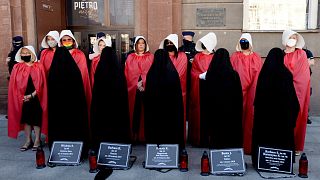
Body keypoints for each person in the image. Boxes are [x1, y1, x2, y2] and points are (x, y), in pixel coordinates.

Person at [251, 48, 299, 168]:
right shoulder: (286, 74)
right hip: (282, 119)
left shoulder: (264, 73)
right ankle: (281, 163)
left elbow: (258, 97)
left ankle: (262, 161)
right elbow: (292, 100)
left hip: (265, 117)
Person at [48, 30, 91, 155]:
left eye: (69, 39)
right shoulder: (57, 55)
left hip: (75, 92)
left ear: (73, 41)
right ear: (60, 42)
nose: (67, 42)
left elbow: (82, 74)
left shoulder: (80, 54)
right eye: (64, 40)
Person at [7, 46, 48, 151]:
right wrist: (21, 97)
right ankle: (28, 140)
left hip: (36, 96)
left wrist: (32, 95)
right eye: (23, 53)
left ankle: (38, 140)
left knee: (36, 119)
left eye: (27, 53)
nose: (25, 55)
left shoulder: (39, 66)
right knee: (26, 120)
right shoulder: (17, 67)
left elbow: (42, 83)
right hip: (22, 98)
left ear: (32, 53)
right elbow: (13, 84)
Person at [201, 48, 243, 149]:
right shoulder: (234, 75)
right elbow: (239, 95)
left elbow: (206, 94)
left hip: (215, 111)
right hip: (230, 111)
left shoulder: (210, 75)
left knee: (216, 134)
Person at [90, 46, 131, 151]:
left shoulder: (100, 70)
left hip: (102, 110)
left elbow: (96, 92)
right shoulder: (118, 71)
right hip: (116, 110)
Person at [144, 49, 184, 147]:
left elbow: (148, 95)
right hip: (170, 112)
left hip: (155, 112)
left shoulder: (151, 74)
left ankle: (154, 149)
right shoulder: (173, 73)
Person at [230, 33, 262, 155]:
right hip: (237, 90)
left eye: (246, 41)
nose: (244, 43)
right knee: (237, 116)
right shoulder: (235, 56)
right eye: (242, 40)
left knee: (251, 117)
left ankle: (248, 145)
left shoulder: (256, 57)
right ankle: (236, 144)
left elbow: (258, 74)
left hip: (252, 91)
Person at [282, 30, 310, 155]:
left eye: (294, 37)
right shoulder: (280, 54)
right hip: (283, 90)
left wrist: (291, 83)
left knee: (297, 116)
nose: (292, 39)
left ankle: (296, 145)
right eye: (290, 37)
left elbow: (303, 75)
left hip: (297, 90)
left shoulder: (301, 54)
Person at [188, 32, 217, 147]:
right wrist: (199, 76)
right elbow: (193, 71)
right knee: (200, 114)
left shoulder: (215, 57)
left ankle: (211, 139)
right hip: (200, 87)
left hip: (212, 89)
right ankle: (199, 138)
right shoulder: (197, 56)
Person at [159, 34, 188, 144]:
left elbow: (179, 73)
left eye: (171, 43)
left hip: (179, 91)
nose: (169, 45)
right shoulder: (163, 56)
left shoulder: (182, 56)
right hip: (164, 91)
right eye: (168, 43)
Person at [125, 36, 154, 143]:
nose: (141, 45)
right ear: (135, 45)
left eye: (143, 43)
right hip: (134, 90)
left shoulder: (150, 57)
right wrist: (136, 83)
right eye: (139, 43)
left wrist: (143, 83)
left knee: (147, 113)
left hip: (146, 90)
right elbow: (128, 73)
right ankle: (134, 135)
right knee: (135, 113)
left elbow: (151, 72)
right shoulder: (130, 57)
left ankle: (146, 136)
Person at [303, 48, 314, 124]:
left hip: (306, 83)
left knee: (306, 101)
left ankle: (306, 117)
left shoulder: (306, 52)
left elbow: (312, 62)